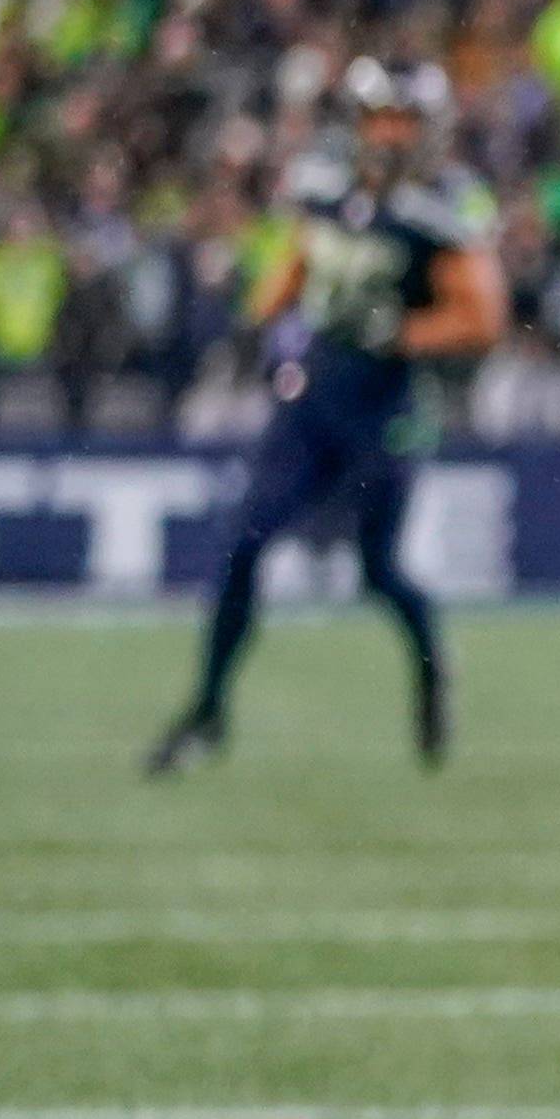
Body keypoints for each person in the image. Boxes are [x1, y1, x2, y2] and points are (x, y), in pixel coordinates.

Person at [144, 63, 504, 775]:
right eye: (381, 117)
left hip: (384, 406)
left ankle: (432, 670)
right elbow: (297, 263)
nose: (390, 134)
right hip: (312, 398)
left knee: (379, 571)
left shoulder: (445, 205)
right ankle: (208, 711)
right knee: (242, 544)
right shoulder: (324, 184)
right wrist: (260, 319)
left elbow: (481, 316)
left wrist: (400, 332)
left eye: (404, 119)